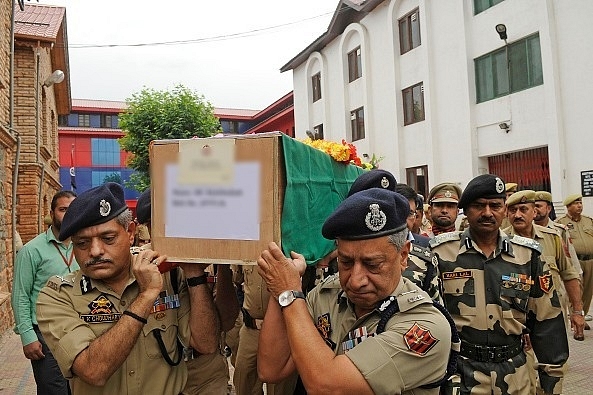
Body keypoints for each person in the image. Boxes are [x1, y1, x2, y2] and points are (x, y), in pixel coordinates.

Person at [257, 188, 452, 394]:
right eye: (346, 262)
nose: (356, 280)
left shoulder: (424, 325)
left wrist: (289, 292)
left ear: (403, 256)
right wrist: (281, 286)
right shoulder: (329, 294)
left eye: (373, 264)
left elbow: (327, 387)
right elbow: (272, 369)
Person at [36, 182, 221, 394]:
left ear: (130, 233)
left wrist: (193, 273)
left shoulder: (167, 276)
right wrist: (146, 296)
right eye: (82, 243)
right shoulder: (58, 295)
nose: (95, 251)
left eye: (108, 238)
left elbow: (206, 344)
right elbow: (92, 370)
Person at [430, 174, 568, 395]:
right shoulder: (440, 253)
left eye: (495, 205)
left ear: (505, 209)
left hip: (517, 375)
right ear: (465, 210)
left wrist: (551, 381)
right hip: (461, 374)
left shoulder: (527, 255)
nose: (487, 213)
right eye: (478, 206)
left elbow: (547, 322)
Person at [135, 187, 240, 395]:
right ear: (149, 228)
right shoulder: (141, 265)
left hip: (206, 374)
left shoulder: (210, 258)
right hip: (160, 374)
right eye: (159, 226)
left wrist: (222, 267)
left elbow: (227, 321)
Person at [11, 190, 77, 395]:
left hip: (80, 330)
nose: (68, 214)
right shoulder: (31, 250)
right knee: (53, 391)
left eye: (72, 209)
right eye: (62, 209)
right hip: (45, 335)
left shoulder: (85, 246)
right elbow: (20, 295)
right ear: (51, 213)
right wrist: (27, 336)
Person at [503, 190, 584, 341]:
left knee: (557, 362)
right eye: (513, 210)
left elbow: (569, 274)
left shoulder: (552, 238)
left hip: (551, 316)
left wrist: (577, 312)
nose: (517, 215)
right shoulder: (500, 242)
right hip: (516, 321)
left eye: (523, 209)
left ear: (534, 212)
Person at [556, 194, 593, 327]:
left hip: (590, 261)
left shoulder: (589, 221)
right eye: (576, 203)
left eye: (580, 203)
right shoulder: (561, 222)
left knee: (588, 292)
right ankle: (576, 320)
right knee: (575, 291)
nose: (579, 206)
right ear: (568, 206)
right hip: (573, 263)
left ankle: (583, 315)